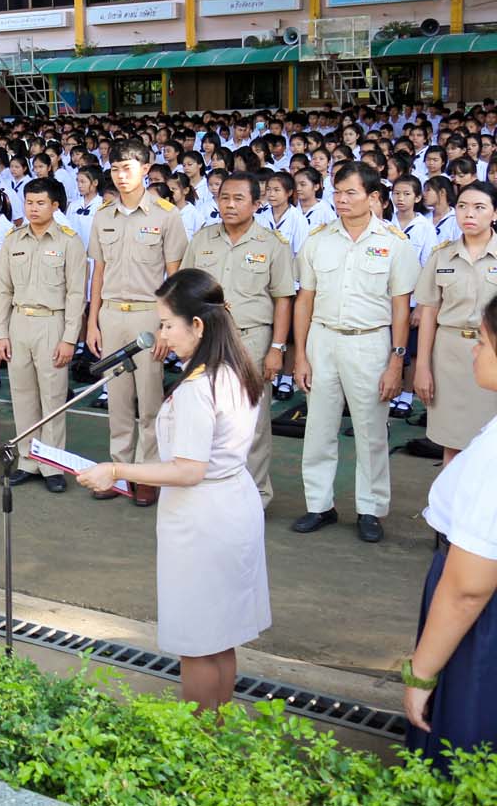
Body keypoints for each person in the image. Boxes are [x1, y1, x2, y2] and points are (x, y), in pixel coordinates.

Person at [76, 268, 271, 712]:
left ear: (197, 325)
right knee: (220, 636)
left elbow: (188, 470)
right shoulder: (235, 368)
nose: (161, 335)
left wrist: (116, 469)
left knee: (197, 642)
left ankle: (200, 737)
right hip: (232, 503)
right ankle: (217, 734)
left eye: (166, 324)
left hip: (203, 518)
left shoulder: (197, 388)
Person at [292, 162, 419, 544]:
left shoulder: (394, 243)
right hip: (323, 339)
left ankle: (370, 509)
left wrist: (396, 361)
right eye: (337, 192)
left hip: (370, 342)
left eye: (351, 192)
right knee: (319, 428)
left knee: (370, 431)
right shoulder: (318, 239)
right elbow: (304, 300)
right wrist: (301, 355)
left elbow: (401, 309)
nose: (342, 199)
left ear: (373, 197)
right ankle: (319, 505)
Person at [403, 295, 497, 770]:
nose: (473, 350)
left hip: (479, 622)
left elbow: (467, 588)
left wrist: (420, 674)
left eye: (482, 341)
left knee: (460, 748)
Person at [181, 172, 296, 508]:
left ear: (257, 204)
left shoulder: (272, 245)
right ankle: (210, 489)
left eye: (238, 198)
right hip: (205, 340)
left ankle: (255, 495)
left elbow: (283, 299)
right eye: (224, 198)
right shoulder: (202, 239)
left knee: (252, 422)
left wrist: (277, 348)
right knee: (205, 416)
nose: (229, 205)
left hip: (251, 340)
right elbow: (185, 289)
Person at [85, 137, 187, 508]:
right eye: (114, 169)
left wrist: (167, 327)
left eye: (127, 168)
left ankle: (146, 474)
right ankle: (118, 469)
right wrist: (92, 322)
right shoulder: (103, 216)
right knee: (117, 401)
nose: (120, 175)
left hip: (149, 314)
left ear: (145, 169)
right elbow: (98, 272)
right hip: (112, 313)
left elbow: (174, 276)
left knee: (150, 402)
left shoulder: (166, 215)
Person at [0, 178, 88, 488]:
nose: (33, 209)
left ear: (55, 205)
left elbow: (76, 294)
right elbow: (1, 289)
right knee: (23, 397)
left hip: (51, 323)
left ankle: (52, 466)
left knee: (53, 398)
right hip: (19, 322)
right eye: (29, 202)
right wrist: (1, 333)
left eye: (40, 203)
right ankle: (28, 460)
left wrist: (69, 338)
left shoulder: (69, 242)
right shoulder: (13, 239)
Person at [414, 181, 497, 465]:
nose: (469, 214)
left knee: (489, 445)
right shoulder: (442, 255)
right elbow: (428, 313)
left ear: (494, 214)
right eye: (462, 206)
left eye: (479, 207)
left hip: (492, 356)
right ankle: (451, 495)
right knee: (452, 442)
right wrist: (422, 367)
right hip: (449, 358)